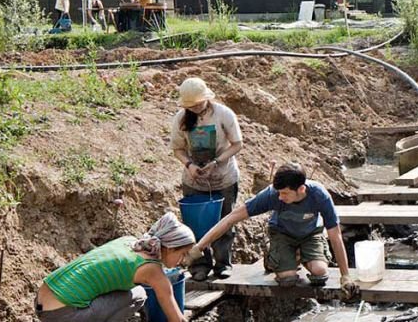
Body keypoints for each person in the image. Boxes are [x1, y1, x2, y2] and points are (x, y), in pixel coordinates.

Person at [189, 163, 357, 292]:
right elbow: (230, 219)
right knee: (287, 280)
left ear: (301, 189)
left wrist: (346, 276)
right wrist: (200, 246)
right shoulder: (272, 195)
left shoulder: (319, 196)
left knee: (320, 274)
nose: (280, 197)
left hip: (310, 234)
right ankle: (274, 257)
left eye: (285, 193)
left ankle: (299, 255)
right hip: (282, 234)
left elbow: (335, 236)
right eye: (279, 193)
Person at [35, 213, 195, 322]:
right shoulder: (153, 272)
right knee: (139, 294)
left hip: (41, 301)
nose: (183, 260)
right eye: (183, 253)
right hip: (61, 314)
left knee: (127, 290)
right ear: (170, 247)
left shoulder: (129, 241)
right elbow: (177, 319)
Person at [170, 77, 244, 281]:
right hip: (194, 181)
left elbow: (237, 144)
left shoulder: (223, 114)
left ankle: (222, 264)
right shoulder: (180, 119)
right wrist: (189, 165)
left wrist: (217, 162)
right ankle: (200, 266)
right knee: (195, 225)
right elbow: (177, 149)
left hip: (224, 179)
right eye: (191, 106)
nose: (195, 108)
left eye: (198, 104)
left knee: (224, 223)